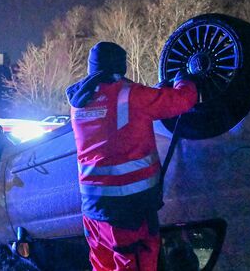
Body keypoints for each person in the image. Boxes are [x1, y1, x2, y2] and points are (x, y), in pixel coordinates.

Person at [66, 42, 197, 270]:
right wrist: (184, 79)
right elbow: (183, 100)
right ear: (120, 65)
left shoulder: (80, 101)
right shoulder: (130, 94)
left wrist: (156, 90)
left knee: (103, 265)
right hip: (129, 210)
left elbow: (115, 118)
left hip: (93, 210)